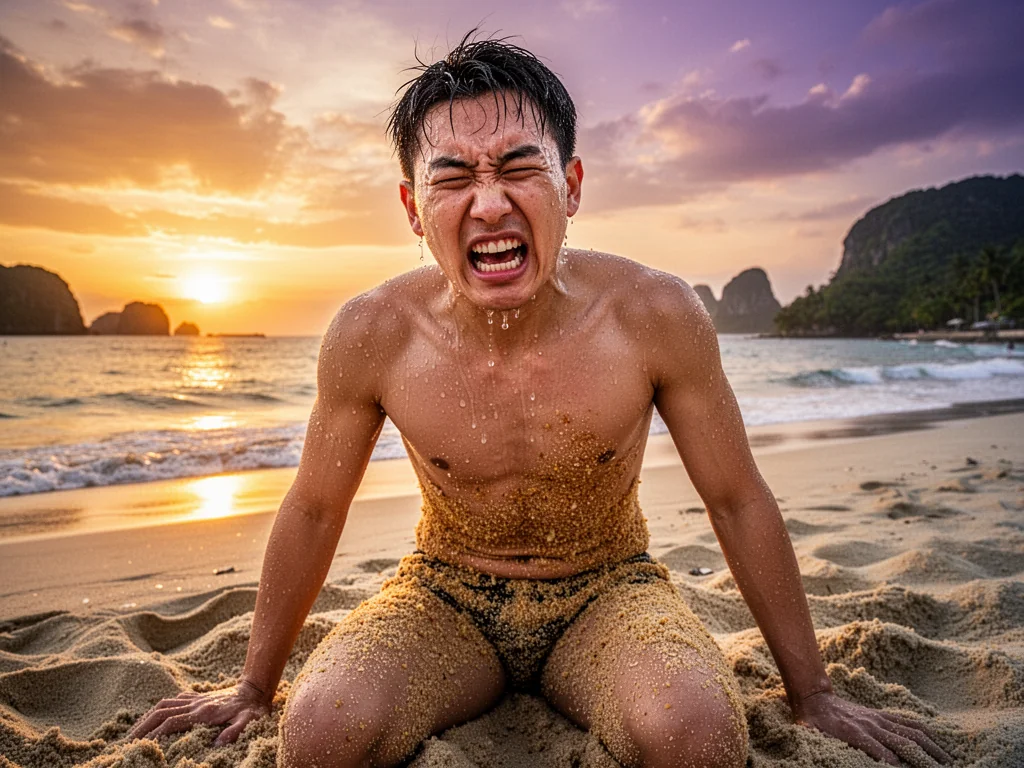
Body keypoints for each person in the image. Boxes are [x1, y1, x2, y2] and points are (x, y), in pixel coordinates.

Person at [130, 33, 951, 768]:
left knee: (699, 735)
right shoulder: (374, 332)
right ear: (415, 209)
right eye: (453, 178)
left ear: (573, 184)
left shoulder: (653, 316)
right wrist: (252, 688)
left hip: (607, 587)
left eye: (520, 167)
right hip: (444, 592)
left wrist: (812, 696)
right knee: (320, 736)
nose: (489, 203)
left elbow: (737, 499)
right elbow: (312, 507)